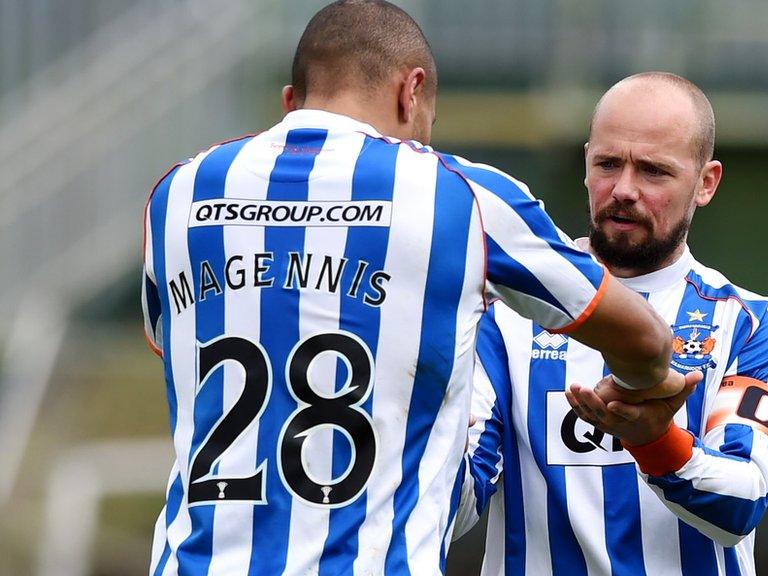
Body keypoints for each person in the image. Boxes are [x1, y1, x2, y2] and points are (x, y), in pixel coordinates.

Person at [140, 3, 688, 575]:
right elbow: (644, 339)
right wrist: (643, 387)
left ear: (290, 103)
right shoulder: (461, 195)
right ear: (412, 93)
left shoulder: (176, 195)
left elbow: (175, 341)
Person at [455, 72, 768, 575]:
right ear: (585, 163)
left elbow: (741, 504)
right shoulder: (505, 312)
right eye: (608, 164)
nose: (623, 189)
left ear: (706, 183)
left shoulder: (751, 325)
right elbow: (462, 501)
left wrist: (655, 439)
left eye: (654, 172)